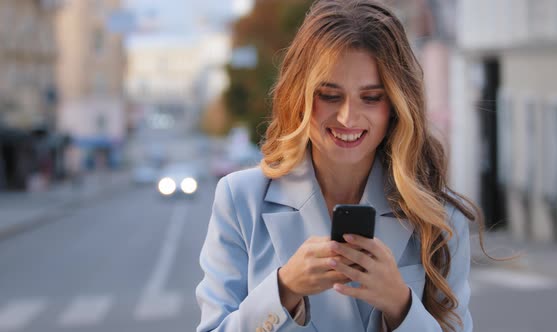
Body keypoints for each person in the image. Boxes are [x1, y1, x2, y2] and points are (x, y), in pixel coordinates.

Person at [196, 0, 483, 331]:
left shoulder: (440, 217)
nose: (348, 117)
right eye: (330, 95)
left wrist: (399, 305)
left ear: (395, 105)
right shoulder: (240, 199)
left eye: (371, 97)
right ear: (299, 96)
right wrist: (284, 289)